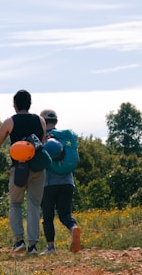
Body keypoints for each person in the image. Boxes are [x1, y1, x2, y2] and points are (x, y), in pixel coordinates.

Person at [0, 90, 47, 254]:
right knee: (34, 205)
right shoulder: (40, 120)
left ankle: (19, 241)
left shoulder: (10, 121)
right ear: (30, 104)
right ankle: (33, 246)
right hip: (37, 168)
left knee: (15, 204)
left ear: (15, 105)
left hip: (19, 169)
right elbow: (41, 143)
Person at [39, 109, 81, 254]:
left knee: (48, 216)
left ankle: (50, 247)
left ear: (42, 122)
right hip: (67, 182)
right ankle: (73, 228)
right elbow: (76, 159)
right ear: (56, 122)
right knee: (65, 214)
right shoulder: (66, 138)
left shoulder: (43, 138)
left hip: (49, 184)